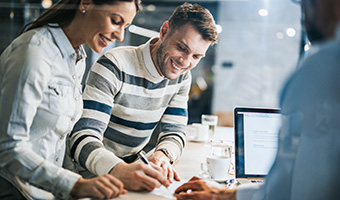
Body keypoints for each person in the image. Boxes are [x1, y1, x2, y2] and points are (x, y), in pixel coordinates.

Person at [175, 0, 340, 199]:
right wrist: (226, 194)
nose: (304, 18)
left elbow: (290, 186)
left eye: (309, 3)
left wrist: (224, 196)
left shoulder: (323, 68)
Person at [69, 2, 218, 192]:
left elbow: (175, 132)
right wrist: (120, 169)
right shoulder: (114, 65)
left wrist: (162, 155)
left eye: (196, 57)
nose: (185, 62)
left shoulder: (182, 76)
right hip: (91, 179)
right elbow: (82, 137)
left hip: (133, 175)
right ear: (164, 31)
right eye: (181, 47)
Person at [0, 0, 140, 199]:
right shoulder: (34, 51)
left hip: (47, 191)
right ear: (85, 4)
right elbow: (8, 148)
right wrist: (75, 185)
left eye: (125, 26)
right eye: (115, 21)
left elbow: (59, 139)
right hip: (15, 189)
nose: (120, 35)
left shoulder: (77, 58)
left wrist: (81, 184)